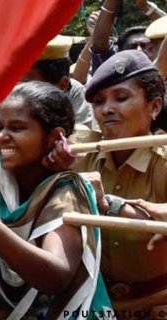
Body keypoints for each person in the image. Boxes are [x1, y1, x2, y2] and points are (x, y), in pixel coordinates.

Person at [0, 81, 112, 319]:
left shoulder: (68, 190)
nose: (1, 137)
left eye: (17, 128)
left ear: (54, 137)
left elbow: (56, 275)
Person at [60, 50, 167, 317]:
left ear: (154, 106)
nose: (106, 109)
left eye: (121, 98)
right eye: (98, 101)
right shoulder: (78, 151)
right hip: (94, 302)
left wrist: (109, 205)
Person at [22, 35, 98, 131]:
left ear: (63, 85)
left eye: (30, 87)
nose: (21, 91)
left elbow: (83, 134)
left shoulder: (74, 90)